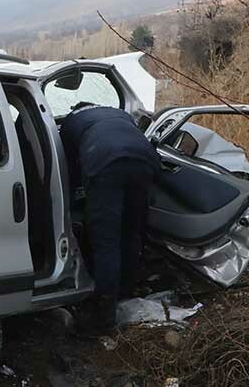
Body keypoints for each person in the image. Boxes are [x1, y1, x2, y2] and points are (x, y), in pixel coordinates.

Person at [60, 101, 161, 335]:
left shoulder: (69, 124)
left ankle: (103, 315)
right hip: (145, 160)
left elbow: (68, 168)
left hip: (105, 162)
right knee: (132, 231)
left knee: (107, 241)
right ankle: (125, 290)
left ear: (75, 108)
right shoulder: (118, 113)